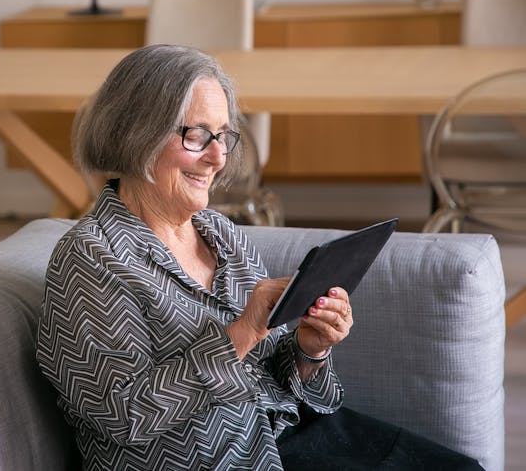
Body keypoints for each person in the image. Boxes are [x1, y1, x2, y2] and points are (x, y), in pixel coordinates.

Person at [36, 44, 483, 470]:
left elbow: (272, 372)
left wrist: (311, 350)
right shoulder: (92, 259)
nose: (216, 157)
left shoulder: (221, 235)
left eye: (223, 136)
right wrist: (242, 333)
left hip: (283, 437)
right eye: (196, 135)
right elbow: (120, 415)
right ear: (135, 135)